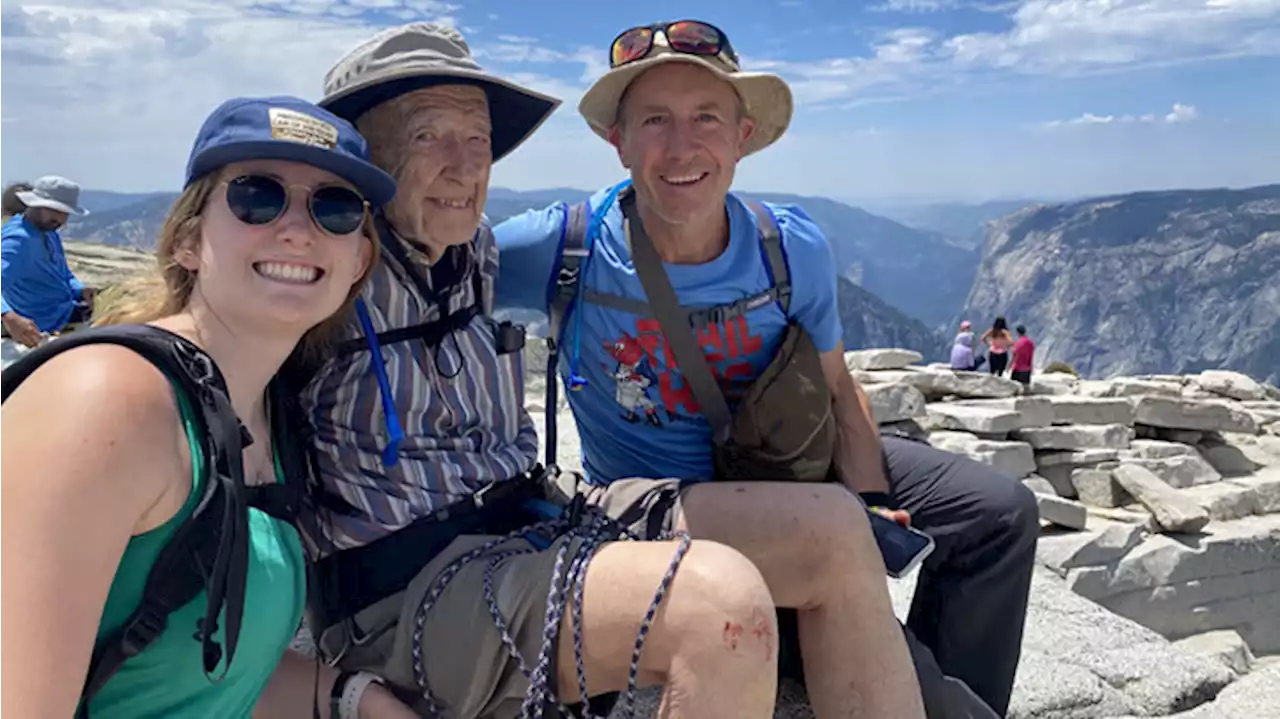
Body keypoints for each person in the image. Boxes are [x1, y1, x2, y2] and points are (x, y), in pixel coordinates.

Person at [494, 19, 1041, 719]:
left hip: (786, 463)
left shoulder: (788, 246)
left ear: (742, 136)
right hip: (664, 504)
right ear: (617, 141)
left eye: (706, 118)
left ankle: (948, 676)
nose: (682, 146)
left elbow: (839, 388)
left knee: (1000, 513)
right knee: (916, 684)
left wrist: (871, 502)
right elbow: (426, 258)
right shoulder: (563, 246)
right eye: (654, 120)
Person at [291, 22, 782, 719]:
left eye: (479, 140)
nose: (466, 167)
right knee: (719, 606)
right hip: (409, 595)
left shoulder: (478, 254)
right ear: (365, 155)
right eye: (429, 137)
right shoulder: (323, 277)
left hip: (528, 524)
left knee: (826, 529)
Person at [0, 96, 428, 717]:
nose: (298, 229)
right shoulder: (108, 403)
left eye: (335, 208)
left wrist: (350, 695)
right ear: (188, 241)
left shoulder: (264, 420)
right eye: (258, 196)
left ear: (358, 260)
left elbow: (196, 674)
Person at [0, 175, 97, 347]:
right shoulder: (18, 241)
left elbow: (64, 275)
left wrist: (80, 290)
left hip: (65, 311)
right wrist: (8, 316)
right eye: (53, 210)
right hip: (41, 326)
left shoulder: (49, 232)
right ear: (35, 204)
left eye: (65, 213)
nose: (60, 219)